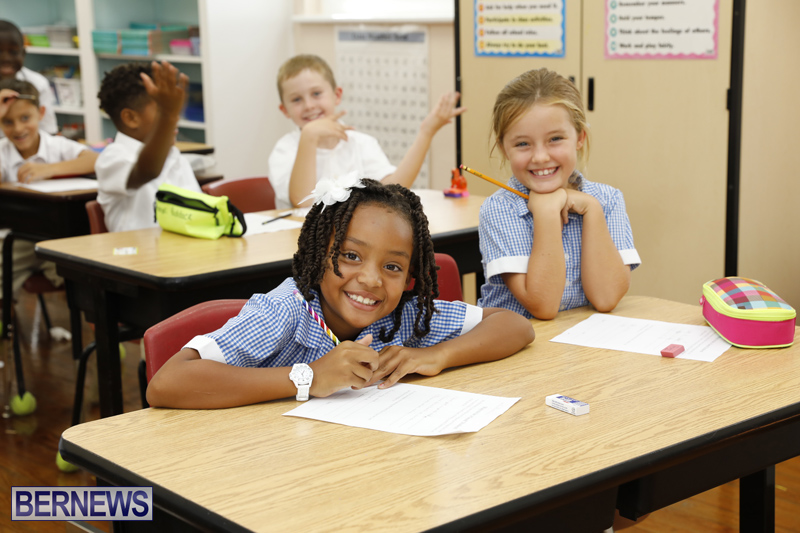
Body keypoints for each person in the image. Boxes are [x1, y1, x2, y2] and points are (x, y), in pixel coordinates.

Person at [146, 177, 534, 408]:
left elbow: (514, 325)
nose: (371, 280)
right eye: (351, 256)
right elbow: (167, 383)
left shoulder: (404, 314)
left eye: (392, 267)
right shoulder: (286, 311)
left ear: (410, 278)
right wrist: (309, 378)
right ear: (319, 255)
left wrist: (436, 355)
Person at [478, 68, 641, 320]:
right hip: (517, 342)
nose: (540, 157)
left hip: (578, 338)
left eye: (555, 139)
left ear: (580, 137)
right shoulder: (499, 209)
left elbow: (606, 298)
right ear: (503, 148)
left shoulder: (607, 200)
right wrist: (546, 213)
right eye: (522, 144)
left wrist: (592, 209)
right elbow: (543, 306)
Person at [268, 54, 466, 209]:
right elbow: (302, 202)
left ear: (337, 95)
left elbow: (393, 190)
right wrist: (309, 137)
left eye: (316, 93)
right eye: (296, 100)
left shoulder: (361, 143)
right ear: (284, 110)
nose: (309, 105)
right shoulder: (285, 149)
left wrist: (426, 132)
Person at [0, 80, 98, 303]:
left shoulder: (57, 145)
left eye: (25, 118)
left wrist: (50, 169)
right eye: (7, 121)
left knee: (82, 273)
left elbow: (95, 160)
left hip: (59, 240)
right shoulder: (3, 151)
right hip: (15, 242)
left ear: (41, 113)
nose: (18, 129)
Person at [95, 61, 201, 232]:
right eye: (161, 109)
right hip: (137, 249)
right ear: (131, 118)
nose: (175, 118)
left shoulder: (175, 157)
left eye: (174, 109)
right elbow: (147, 171)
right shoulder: (113, 158)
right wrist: (168, 115)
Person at [0, 20, 57, 136]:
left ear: (23, 53)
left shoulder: (38, 83)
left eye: (13, 52)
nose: (6, 58)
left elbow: (49, 130)